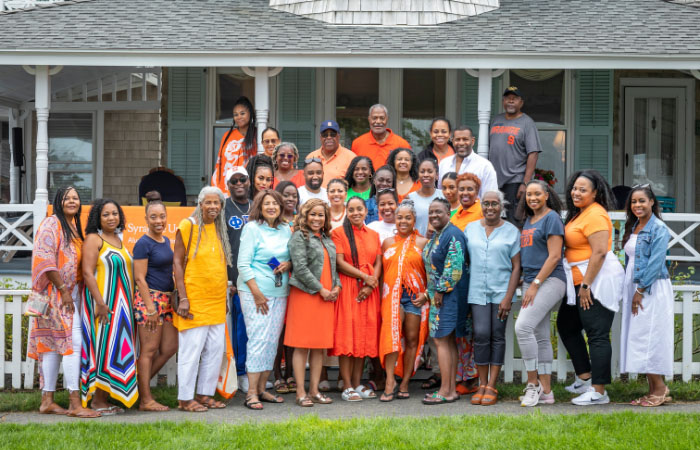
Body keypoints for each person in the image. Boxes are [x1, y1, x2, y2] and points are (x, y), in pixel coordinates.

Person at [28, 187, 99, 418]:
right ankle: (74, 403)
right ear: (58, 202)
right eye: (67, 198)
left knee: (52, 345)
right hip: (56, 295)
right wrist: (62, 289)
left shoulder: (74, 227)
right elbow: (44, 260)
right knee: (72, 343)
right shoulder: (52, 224)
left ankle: (47, 400)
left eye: (75, 198)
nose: (72, 201)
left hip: (71, 293)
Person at [558, 170, 624, 406]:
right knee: (566, 325)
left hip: (595, 280)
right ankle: (585, 378)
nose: (576, 192)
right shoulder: (580, 214)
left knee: (597, 334)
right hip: (578, 280)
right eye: (575, 188)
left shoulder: (595, 214)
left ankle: (599, 391)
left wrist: (586, 285)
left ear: (595, 193)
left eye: (582, 189)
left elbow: (599, 252)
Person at [173, 186, 231, 412]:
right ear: (200, 203)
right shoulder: (188, 225)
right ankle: (185, 399)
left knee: (214, 351)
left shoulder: (218, 228)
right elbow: (177, 262)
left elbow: (220, 264)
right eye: (208, 202)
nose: (213, 207)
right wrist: (184, 298)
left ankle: (204, 395)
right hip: (194, 299)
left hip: (216, 300)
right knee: (191, 351)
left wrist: (225, 295)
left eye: (217, 203)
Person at [237, 190, 293, 410]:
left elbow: (286, 257)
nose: (272, 207)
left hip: (279, 292)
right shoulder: (252, 228)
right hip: (255, 294)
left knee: (271, 341)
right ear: (260, 207)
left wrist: (287, 265)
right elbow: (243, 264)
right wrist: (257, 293)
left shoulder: (285, 229)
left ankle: (262, 388)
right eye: (267, 203)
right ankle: (251, 393)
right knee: (258, 339)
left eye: (275, 204)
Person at [81, 198, 137, 412]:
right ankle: (97, 401)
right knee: (102, 347)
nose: (111, 218)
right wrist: (100, 303)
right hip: (103, 304)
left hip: (121, 306)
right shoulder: (95, 239)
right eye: (106, 214)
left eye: (115, 213)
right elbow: (87, 272)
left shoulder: (119, 239)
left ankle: (105, 398)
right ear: (98, 217)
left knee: (114, 349)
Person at [465, 191, 521, 406]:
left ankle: (492, 385)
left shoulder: (511, 232)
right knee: (480, 334)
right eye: (486, 203)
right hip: (477, 291)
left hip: (501, 291)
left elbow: (517, 266)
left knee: (497, 335)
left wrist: (509, 297)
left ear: (501, 206)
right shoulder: (471, 229)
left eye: (494, 203)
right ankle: (481, 383)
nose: (490, 207)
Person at [513, 180, 566, 407]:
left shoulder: (552, 218)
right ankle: (547, 391)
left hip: (550, 280)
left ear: (546, 195)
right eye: (528, 195)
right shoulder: (529, 220)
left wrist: (535, 283)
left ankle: (532, 385)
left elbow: (554, 256)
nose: (532, 198)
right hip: (532, 280)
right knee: (541, 335)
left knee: (522, 327)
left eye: (537, 194)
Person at [620, 185, 674, 407]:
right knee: (640, 336)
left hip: (651, 288)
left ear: (652, 202)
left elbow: (655, 262)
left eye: (642, 201)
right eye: (633, 202)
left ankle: (660, 388)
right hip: (636, 287)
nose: (637, 205)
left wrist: (640, 290)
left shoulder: (658, 228)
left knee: (649, 335)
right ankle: (652, 389)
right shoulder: (634, 226)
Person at [286, 199, 342, 407]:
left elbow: (333, 266)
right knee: (302, 346)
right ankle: (301, 392)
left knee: (319, 347)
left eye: (321, 215)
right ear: (305, 215)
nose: (317, 219)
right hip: (306, 296)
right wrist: (321, 289)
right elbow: (299, 268)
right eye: (313, 214)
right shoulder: (299, 236)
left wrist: (336, 287)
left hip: (327, 296)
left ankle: (315, 390)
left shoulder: (326, 238)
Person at [331, 197, 382, 402]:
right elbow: (340, 263)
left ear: (365, 210)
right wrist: (364, 278)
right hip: (349, 287)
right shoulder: (339, 233)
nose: (355, 213)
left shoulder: (374, 234)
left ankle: (358, 382)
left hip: (369, 289)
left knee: (364, 335)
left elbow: (378, 262)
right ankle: (347, 385)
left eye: (359, 209)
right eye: (351, 209)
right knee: (347, 335)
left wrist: (371, 284)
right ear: (346, 211)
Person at [378, 200, 429, 401]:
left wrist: (426, 295)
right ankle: (390, 380)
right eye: (400, 217)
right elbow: (382, 273)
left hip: (414, 299)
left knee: (411, 339)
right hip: (392, 297)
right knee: (392, 337)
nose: (403, 221)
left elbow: (431, 274)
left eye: (408, 217)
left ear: (414, 220)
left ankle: (406, 381)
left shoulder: (423, 243)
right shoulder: (387, 243)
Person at [132, 194, 178, 412]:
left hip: (167, 300)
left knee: (170, 347)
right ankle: (145, 400)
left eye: (162, 216)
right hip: (149, 300)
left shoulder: (166, 241)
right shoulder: (143, 244)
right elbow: (139, 278)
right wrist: (150, 308)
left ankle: (135, 387)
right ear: (146, 219)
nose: (158, 221)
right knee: (149, 350)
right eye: (153, 217)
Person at [421, 198, 467, 405]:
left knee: (441, 341)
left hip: (448, 296)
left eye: (438, 212)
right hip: (438, 296)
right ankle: (450, 389)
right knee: (446, 341)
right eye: (431, 212)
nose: (434, 216)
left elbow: (454, 267)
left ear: (448, 212)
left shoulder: (453, 234)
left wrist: (440, 290)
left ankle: (446, 390)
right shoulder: (438, 235)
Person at [488, 87, 542, 224]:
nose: (510, 101)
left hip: (515, 181)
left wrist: (525, 183)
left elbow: (533, 153)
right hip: (494, 181)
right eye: (507, 98)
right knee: (494, 219)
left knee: (515, 221)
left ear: (521, 102)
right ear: (503, 101)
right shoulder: (496, 120)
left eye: (515, 98)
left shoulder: (527, 123)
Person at [223, 167, 252, 394]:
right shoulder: (222, 207)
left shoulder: (257, 206)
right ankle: (238, 374)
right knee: (237, 331)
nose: (239, 183)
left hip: (255, 279)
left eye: (243, 179)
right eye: (234, 181)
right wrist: (228, 279)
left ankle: (248, 373)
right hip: (232, 281)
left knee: (251, 330)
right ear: (228, 185)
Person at [272, 180, 298, 392]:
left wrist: (292, 265)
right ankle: (277, 374)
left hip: (297, 283)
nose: (291, 199)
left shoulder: (300, 222)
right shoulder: (273, 223)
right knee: (278, 331)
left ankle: (291, 373)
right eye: (287, 195)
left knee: (292, 330)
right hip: (276, 281)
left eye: (294, 196)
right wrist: (279, 267)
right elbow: (264, 251)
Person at [438, 126, 498, 199]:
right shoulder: (444, 164)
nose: (461, 143)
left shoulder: (484, 166)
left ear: (472, 141)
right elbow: (441, 193)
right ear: (452, 141)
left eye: (465, 139)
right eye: (457, 140)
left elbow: (490, 197)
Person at [212, 96, 257, 193]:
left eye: (242, 113)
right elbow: (220, 162)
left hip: (248, 187)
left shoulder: (257, 136)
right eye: (235, 114)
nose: (238, 117)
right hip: (227, 186)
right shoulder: (227, 136)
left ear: (250, 114)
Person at [352, 104, 411, 169]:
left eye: (382, 118)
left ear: (387, 119)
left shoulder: (402, 144)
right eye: (374, 118)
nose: (378, 121)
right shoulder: (358, 144)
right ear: (369, 119)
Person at [307, 120, 357, 188]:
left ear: (338, 136)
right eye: (325, 135)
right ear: (320, 137)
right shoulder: (311, 157)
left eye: (333, 134)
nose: (329, 137)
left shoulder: (351, 158)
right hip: (315, 198)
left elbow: (356, 185)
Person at [407, 158, 444, 237]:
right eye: (422, 171)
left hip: (439, 244)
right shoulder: (410, 198)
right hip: (417, 245)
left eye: (430, 171)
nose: (426, 174)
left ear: (437, 175)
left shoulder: (443, 196)